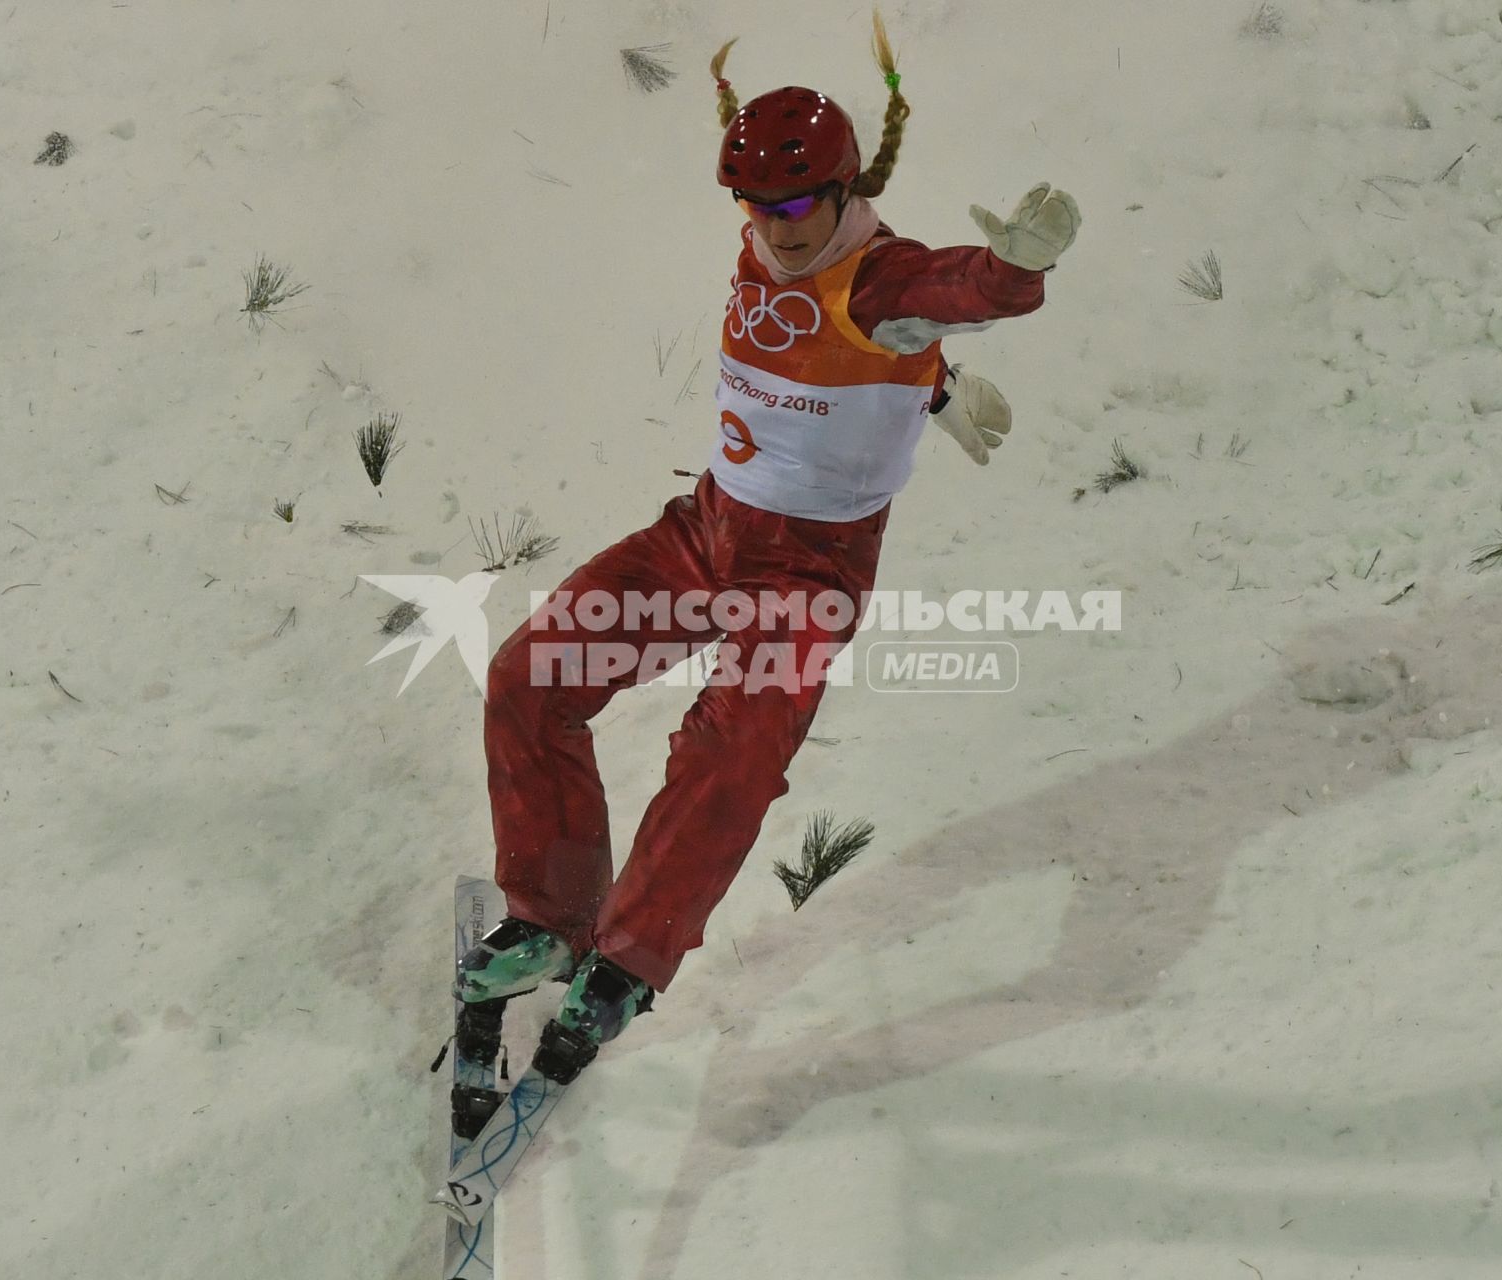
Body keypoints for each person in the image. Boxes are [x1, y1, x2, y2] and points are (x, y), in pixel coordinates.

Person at [454, 19, 1081, 1079]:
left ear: (843, 193)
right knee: (530, 675)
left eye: (797, 205)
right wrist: (934, 394)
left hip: (805, 577)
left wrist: (1014, 271)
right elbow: (843, 360)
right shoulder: (765, 245)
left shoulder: (880, 278)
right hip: (707, 533)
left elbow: (948, 292)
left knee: (728, 748)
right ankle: (553, 920)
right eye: (756, 204)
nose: (778, 227)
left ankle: (625, 962)